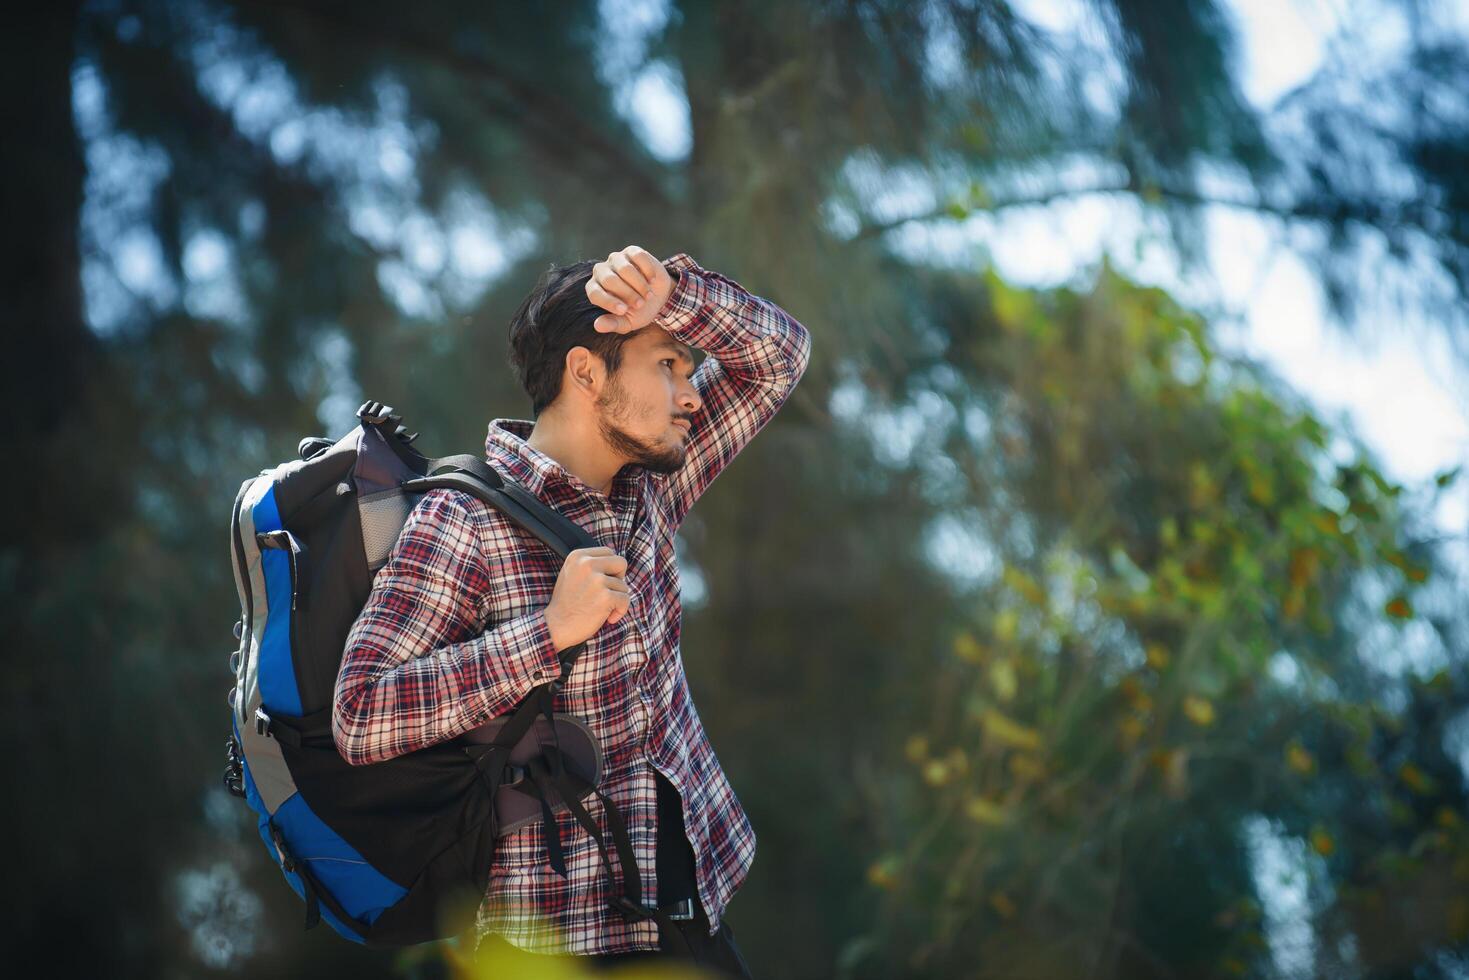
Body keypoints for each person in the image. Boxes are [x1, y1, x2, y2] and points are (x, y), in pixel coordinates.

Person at [332, 245, 812, 976]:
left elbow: (779, 359)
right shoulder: (463, 522)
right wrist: (547, 633)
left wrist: (672, 299)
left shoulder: (649, 486)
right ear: (586, 372)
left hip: (694, 921)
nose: (690, 394)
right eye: (667, 365)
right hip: (560, 946)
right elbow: (360, 715)